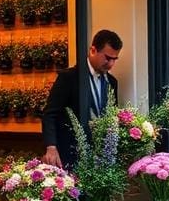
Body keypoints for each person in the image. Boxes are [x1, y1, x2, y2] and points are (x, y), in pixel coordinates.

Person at [42, 29, 122, 169]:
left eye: (114, 59)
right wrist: (51, 147)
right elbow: (50, 114)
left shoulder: (112, 82)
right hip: (71, 154)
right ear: (93, 50)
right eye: (107, 58)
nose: (111, 64)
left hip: (99, 158)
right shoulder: (69, 77)